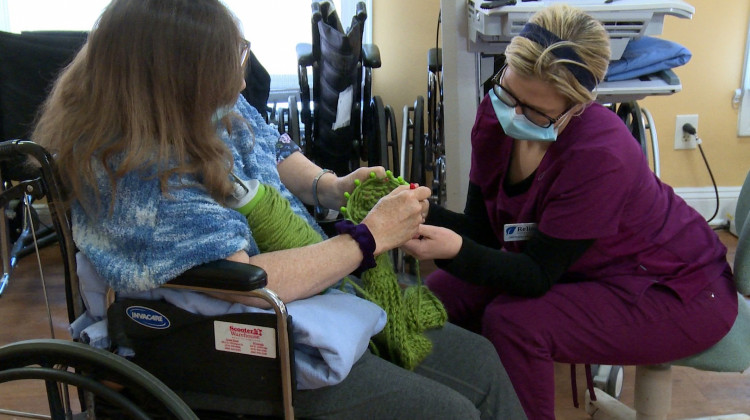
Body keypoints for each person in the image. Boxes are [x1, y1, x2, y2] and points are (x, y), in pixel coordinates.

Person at [32, 0, 526, 418]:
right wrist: (368, 238)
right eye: (236, 55)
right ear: (177, 74)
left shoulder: (199, 102)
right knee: (451, 412)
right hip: (232, 339)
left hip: (304, 301)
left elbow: (267, 146)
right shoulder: (137, 176)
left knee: (480, 361)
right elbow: (247, 281)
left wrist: (328, 186)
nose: (243, 72)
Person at [402, 4, 738, 419]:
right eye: (509, 93)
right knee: (426, 304)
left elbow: (536, 275)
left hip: (677, 286)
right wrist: (411, 210)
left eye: (537, 110)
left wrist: (452, 250)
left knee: (515, 324)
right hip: (577, 266)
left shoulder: (601, 154)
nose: (515, 113)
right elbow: (482, 231)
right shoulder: (497, 115)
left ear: (577, 106)